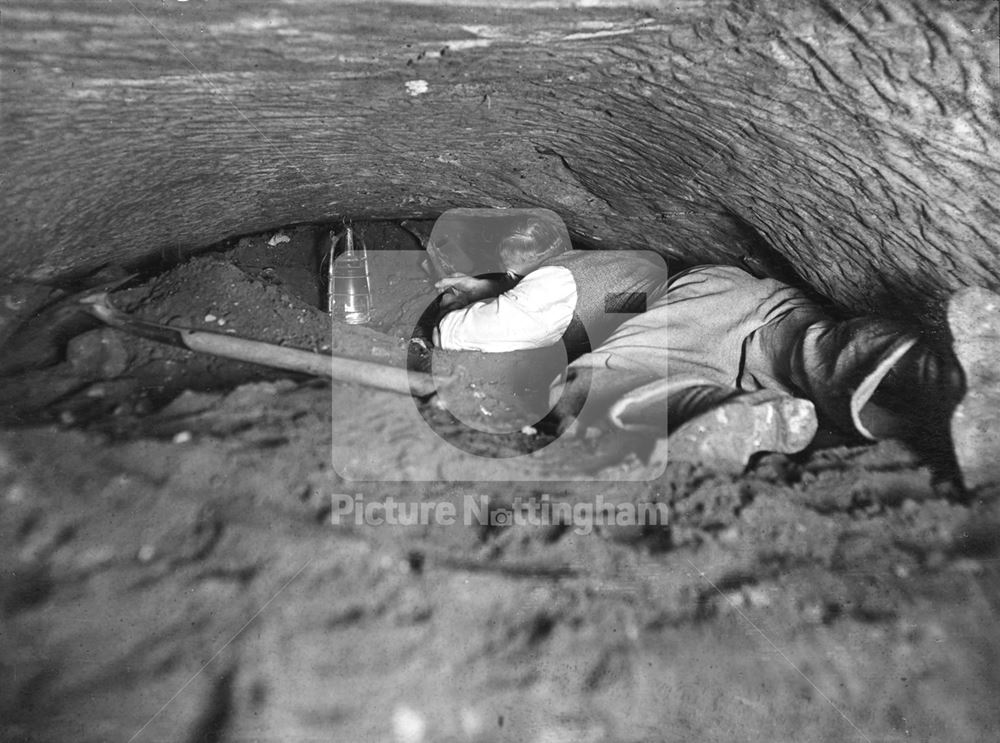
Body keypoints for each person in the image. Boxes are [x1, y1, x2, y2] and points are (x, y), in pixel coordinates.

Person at [429, 221, 1000, 490]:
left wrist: (452, 310)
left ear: (506, 268)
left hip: (704, 306)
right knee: (822, 354)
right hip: (754, 310)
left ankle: (709, 410)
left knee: (604, 380)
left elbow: (482, 329)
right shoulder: (576, 272)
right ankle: (952, 380)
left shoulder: (552, 278)